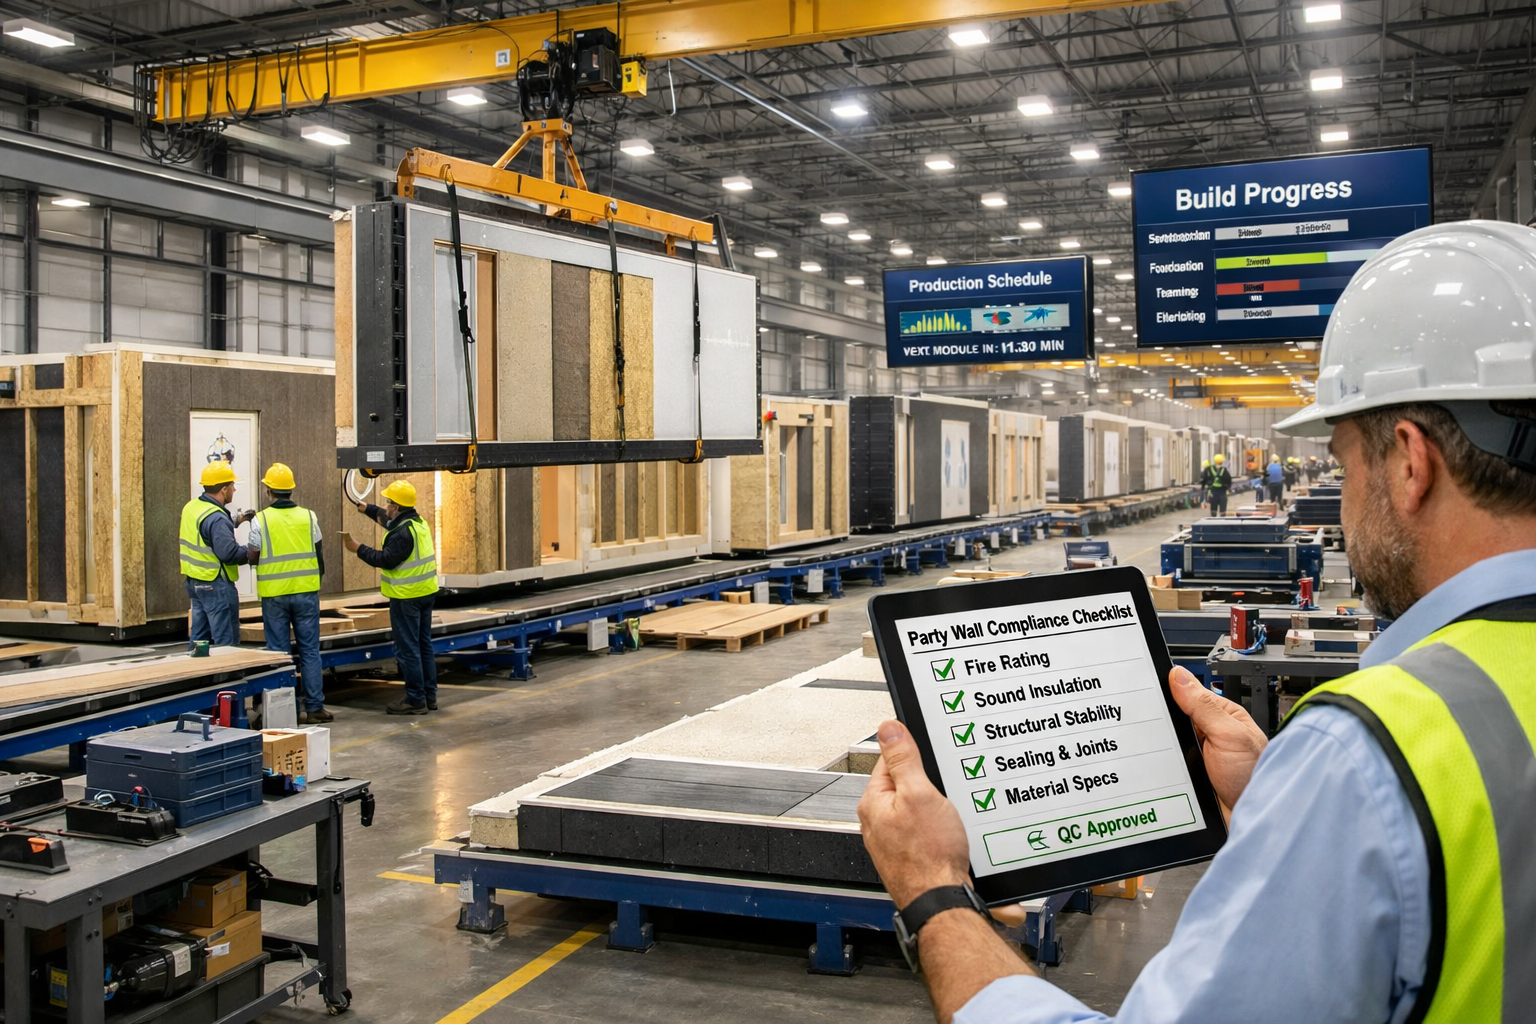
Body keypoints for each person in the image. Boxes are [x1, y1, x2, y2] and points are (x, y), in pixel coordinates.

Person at [857, 220, 1536, 1024]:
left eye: (1349, 462)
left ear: (1409, 461)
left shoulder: (1370, 754)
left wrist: (933, 894)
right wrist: (1274, 801)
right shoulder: (1368, 762)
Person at [344, 480, 439, 715]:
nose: (386, 506)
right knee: (423, 645)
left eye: (388, 502)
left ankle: (415, 699)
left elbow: (385, 559)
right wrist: (368, 509)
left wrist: (358, 548)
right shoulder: (416, 523)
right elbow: (387, 521)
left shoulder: (402, 534)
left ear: (396, 506)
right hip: (426, 593)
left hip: (407, 597)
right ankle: (429, 695)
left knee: (408, 649)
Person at [247, 463, 330, 725]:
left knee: (279, 653)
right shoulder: (309, 516)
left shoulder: (260, 519)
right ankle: (315, 708)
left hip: (275, 596)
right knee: (310, 651)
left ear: (268, 490)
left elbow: (252, 555)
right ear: (291, 490)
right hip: (306, 593)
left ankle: (286, 712)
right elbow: (319, 553)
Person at [180, 462, 254, 648]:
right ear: (223, 489)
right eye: (232, 486)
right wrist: (251, 552)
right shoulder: (218, 518)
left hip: (195, 581)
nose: (234, 489)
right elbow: (228, 553)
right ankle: (229, 675)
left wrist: (238, 520)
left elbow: (207, 530)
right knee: (226, 641)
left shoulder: (192, 507)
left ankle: (197, 673)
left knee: (199, 638)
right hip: (216, 585)